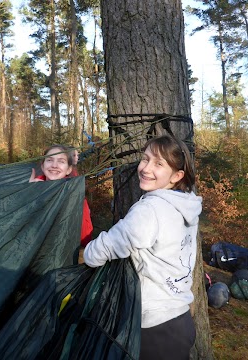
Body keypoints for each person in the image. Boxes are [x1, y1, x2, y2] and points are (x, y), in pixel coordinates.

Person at [83, 135, 202, 359]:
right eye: (145, 159)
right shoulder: (186, 203)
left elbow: (104, 249)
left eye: (159, 163)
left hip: (155, 328)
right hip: (181, 318)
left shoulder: (150, 211)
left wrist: (87, 251)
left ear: (177, 175)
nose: (146, 168)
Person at [30, 144, 93, 247]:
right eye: (49, 160)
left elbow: (84, 237)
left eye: (61, 161)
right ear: (42, 165)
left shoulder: (75, 194)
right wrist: (30, 194)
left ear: (69, 169)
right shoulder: (31, 187)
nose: (54, 165)